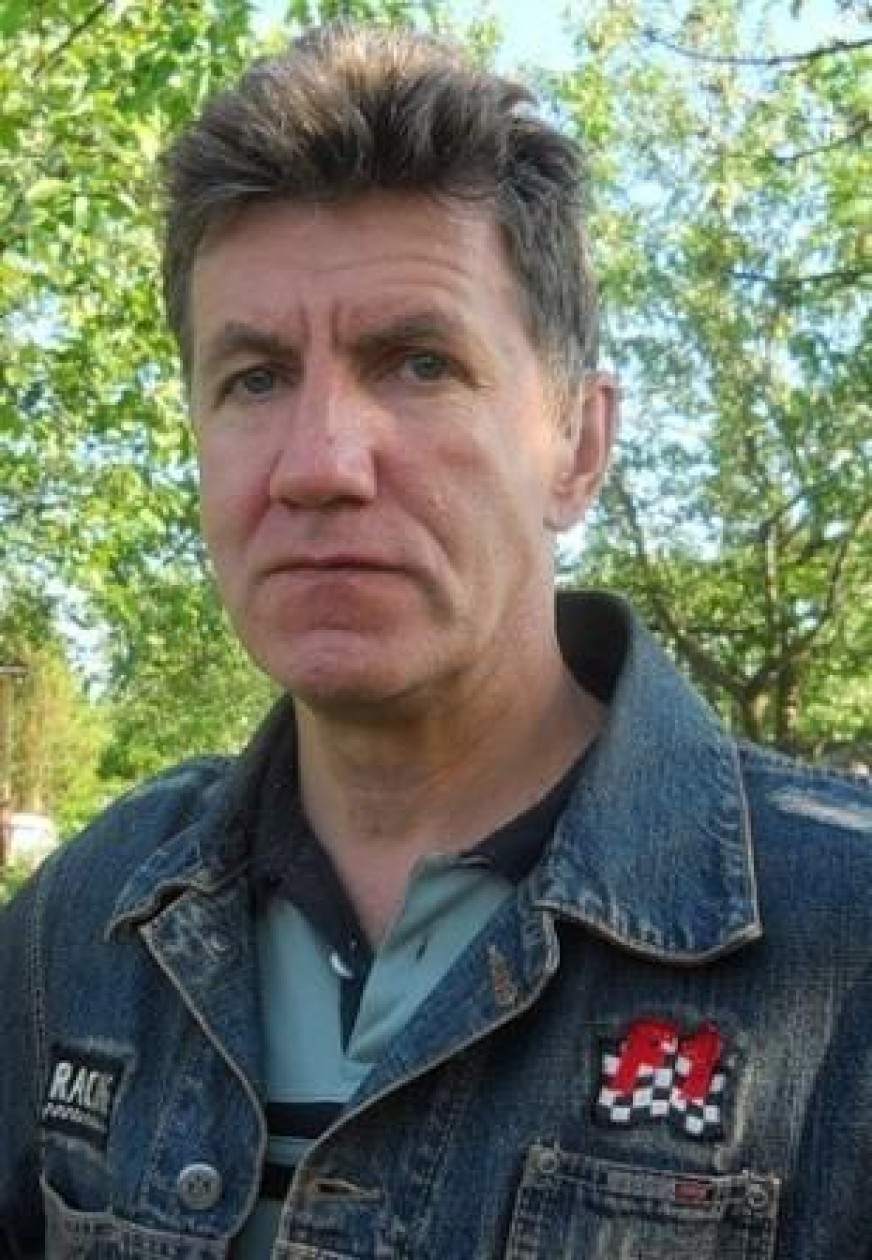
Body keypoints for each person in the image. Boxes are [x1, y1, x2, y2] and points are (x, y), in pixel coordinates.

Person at [1, 23, 870, 1260]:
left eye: (418, 363)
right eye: (254, 378)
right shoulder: (78, 932)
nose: (318, 464)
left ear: (578, 444)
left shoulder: (840, 956)